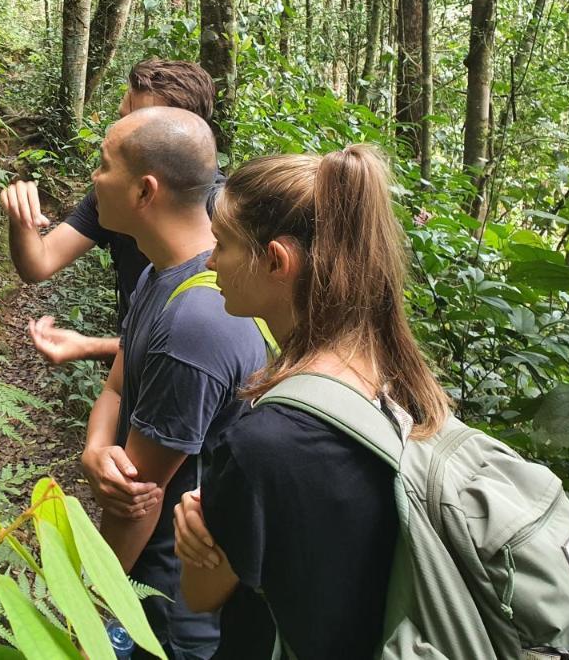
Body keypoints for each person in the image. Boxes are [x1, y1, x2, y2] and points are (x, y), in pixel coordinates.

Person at [173, 145, 452, 660]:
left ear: (277, 260)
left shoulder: (261, 444)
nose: (211, 261)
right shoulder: (408, 389)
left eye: (223, 244)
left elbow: (200, 595)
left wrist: (194, 541)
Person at [80, 107, 269, 659]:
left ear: (144, 191)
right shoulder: (160, 272)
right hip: (152, 580)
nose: (94, 179)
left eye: (103, 165)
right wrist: (96, 450)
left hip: (176, 606)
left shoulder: (196, 323)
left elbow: (137, 498)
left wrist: (84, 609)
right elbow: (117, 388)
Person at [0, 60, 218, 365]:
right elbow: (39, 263)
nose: (120, 131)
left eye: (139, 121)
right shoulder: (115, 194)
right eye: (122, 117)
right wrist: (22, 219)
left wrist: (92, 346)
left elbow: (203, 345)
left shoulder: (222, 217)